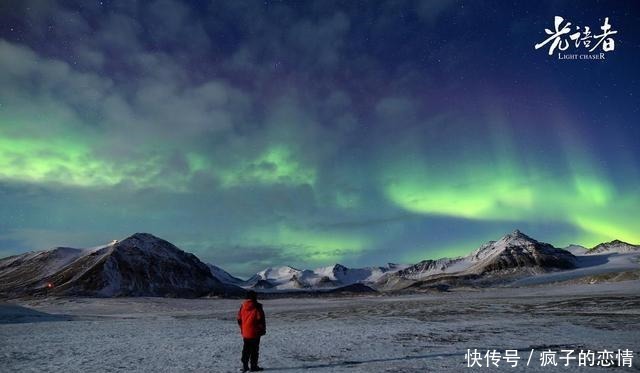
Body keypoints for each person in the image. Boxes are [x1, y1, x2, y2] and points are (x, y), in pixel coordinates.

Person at [237, 290, 266, 372]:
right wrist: (262, 330)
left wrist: (243, 329)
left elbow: (239, 319)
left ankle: (245, 366)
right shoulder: (257, 307)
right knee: (254, 351)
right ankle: (253, 367)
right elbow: (260, 320)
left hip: (246, 333)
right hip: (255, 333)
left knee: (246, 349)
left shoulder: (242, 306)